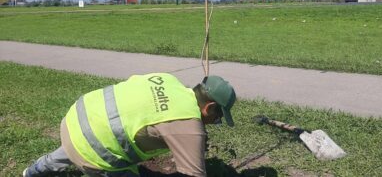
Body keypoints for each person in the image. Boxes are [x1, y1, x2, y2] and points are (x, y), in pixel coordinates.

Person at [23, 73, 236, 177]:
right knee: (102, 149)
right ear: (208, 107)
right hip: (93, 152)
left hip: (75, 120)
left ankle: (32, 171)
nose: (215, 122)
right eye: (218, 117)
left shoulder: (166, 79)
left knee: (92, 135)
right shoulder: (190, 127)